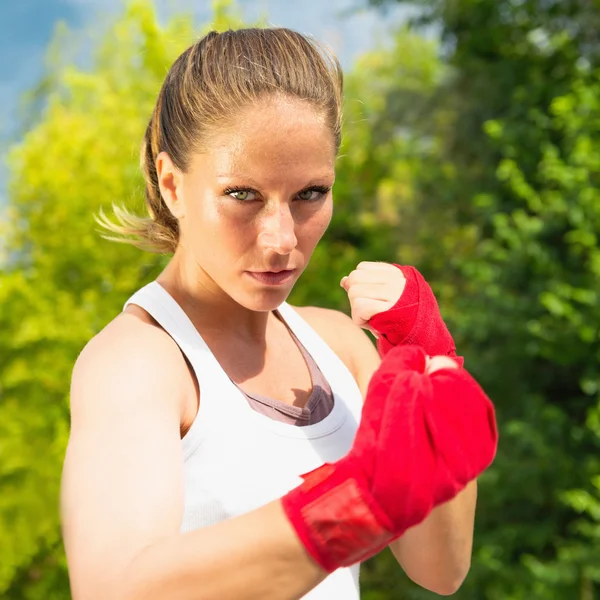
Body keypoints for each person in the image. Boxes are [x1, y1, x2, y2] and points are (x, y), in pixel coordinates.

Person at [60, 28, 497, 600]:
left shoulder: (341, 346)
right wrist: (353, 502)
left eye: (310, 193)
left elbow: (439, 570)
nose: (281, 239)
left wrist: (431, 353)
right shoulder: (139, 363)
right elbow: (114, 590)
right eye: (242, 195)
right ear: (172, 185)